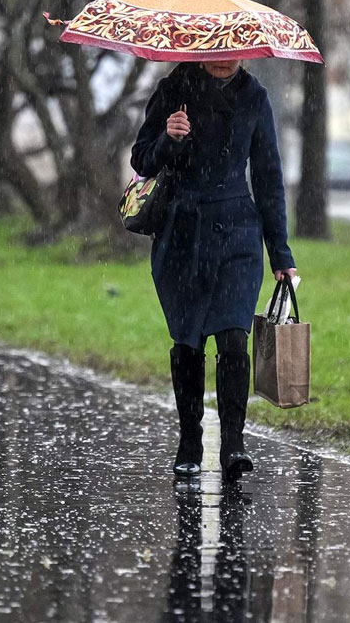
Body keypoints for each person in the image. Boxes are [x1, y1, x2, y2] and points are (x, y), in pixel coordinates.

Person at [131, 60, 297, 482]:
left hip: (237, 234)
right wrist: (169, 139)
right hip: (182, 235)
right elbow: (142, 159)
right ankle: (189, 440)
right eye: (219, 48)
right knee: (187, 342)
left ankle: (233, 444)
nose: (227, 56)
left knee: (233, 338)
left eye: (237, 48)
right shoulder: (174, 88)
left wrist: (280, 251)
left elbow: (268, 176)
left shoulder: (255, 97)